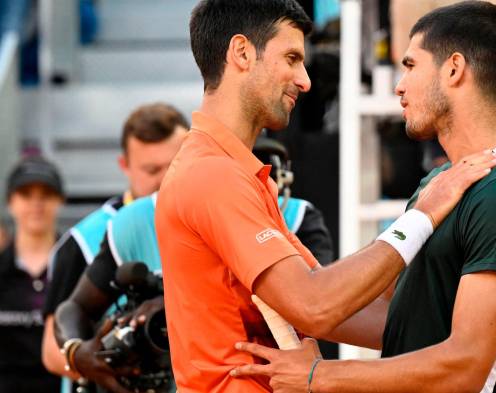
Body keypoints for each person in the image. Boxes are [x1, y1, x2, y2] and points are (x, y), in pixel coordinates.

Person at [155, 1, 496, 392]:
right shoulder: (212, 174)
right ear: (241, 52)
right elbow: (314, 306)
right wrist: (421, 217)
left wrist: (485, 340)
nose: (304, 80)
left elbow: (336, 308)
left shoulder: (235, 172)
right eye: (291, 58)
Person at [230, 2, 496, 393]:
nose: (398, 85)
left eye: (411, 66)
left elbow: (464, 369)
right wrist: (285, 299)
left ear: (454, 69)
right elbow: (391, 316)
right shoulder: (437, 186)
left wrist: (319, 376)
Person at [52, 138, 335, 393]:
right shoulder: (133, 220)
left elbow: (318, 309)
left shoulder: (294, 217)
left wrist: (176, 305)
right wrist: (77, 353)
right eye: (152, 169)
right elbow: (74, 307)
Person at [41, 103, 189, 392]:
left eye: (173, 165)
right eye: (151, 169)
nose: (163, 180)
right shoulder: (85, 239)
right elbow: (51, 350)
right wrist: (114, 366)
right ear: (124, 166)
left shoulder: (203, 219)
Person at [0, 156, 65, 392]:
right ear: (10, 202)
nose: (36, 204)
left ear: (60, 201)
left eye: (46, 195)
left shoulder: (77, 266)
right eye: (26, 195)